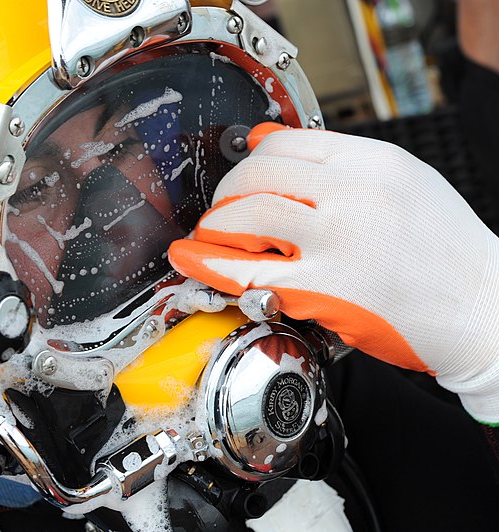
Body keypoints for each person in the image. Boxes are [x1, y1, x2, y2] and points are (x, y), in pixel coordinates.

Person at [169, 125, 499, 530]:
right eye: (66, 175)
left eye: (125, 145)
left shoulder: (302, 358)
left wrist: (486, 332)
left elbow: (464, 490)